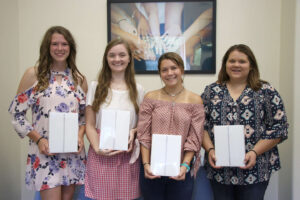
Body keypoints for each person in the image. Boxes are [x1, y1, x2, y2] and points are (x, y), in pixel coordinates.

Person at [8, 26, 87, 200]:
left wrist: (80, 136)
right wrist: (39, 139)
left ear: (71, 47)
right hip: (45, 152)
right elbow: (16, 114)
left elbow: (83, 117)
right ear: (47, 47)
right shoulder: (33, 74)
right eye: (55, 44)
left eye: (64, 44)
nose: (60, 48)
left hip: (71, 154)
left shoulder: (78, 78)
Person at [201, 44, 289, 200]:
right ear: (225, 64)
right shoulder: (211, 91)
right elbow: (201, 126)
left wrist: (255, 152)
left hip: (256, 169)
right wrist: (210, 150)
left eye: (242, 61)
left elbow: (279, 128)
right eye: (232, 61)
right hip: (220, 169)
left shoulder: (266, 91)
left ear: (251, 66)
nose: (236, 65)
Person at [137, 52, 205, 200]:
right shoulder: (150, 98)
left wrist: (185, 166)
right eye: (164, 70)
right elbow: (143, 134)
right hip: (152, 167)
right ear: (160, 73)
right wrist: (146, 164)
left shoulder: (195, 100)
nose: (169, 73)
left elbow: (194, 137)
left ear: (181, 69)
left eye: (173, 68)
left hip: (181, 169)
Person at [84, 38, 145, 200]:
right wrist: (97, 148)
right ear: (106, 58)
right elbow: (89, 125)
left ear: (129, 58)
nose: (117, 59)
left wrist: (134, 131)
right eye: (112, 55)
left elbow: (141, 125)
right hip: (100, 154)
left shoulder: (138, 90)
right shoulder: (95, 87)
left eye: (122, 55)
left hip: (126, 157)